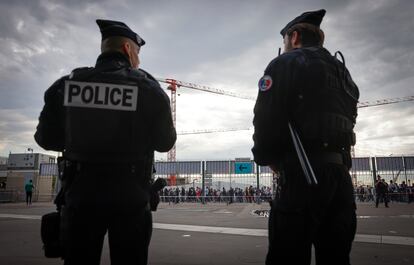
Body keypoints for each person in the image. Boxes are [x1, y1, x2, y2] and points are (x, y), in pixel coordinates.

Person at [34, 19, 176, 264]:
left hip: (80, 197)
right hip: (131, 199)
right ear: (127, 50)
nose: (138, 61)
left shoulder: (66, 86)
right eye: (138, 53)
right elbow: (165, 142)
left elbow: (46, 139)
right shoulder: (148, 89)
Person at [252, 9, 359, 265]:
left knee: (287, 256)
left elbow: (265, 118)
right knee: (336, 256)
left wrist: (268, 159)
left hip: (302, 174)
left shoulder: (284, 63)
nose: (285, 46)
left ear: (295, 36)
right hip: (340, 177)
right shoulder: (344, 72)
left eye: (285, 41)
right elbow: (350, 119)